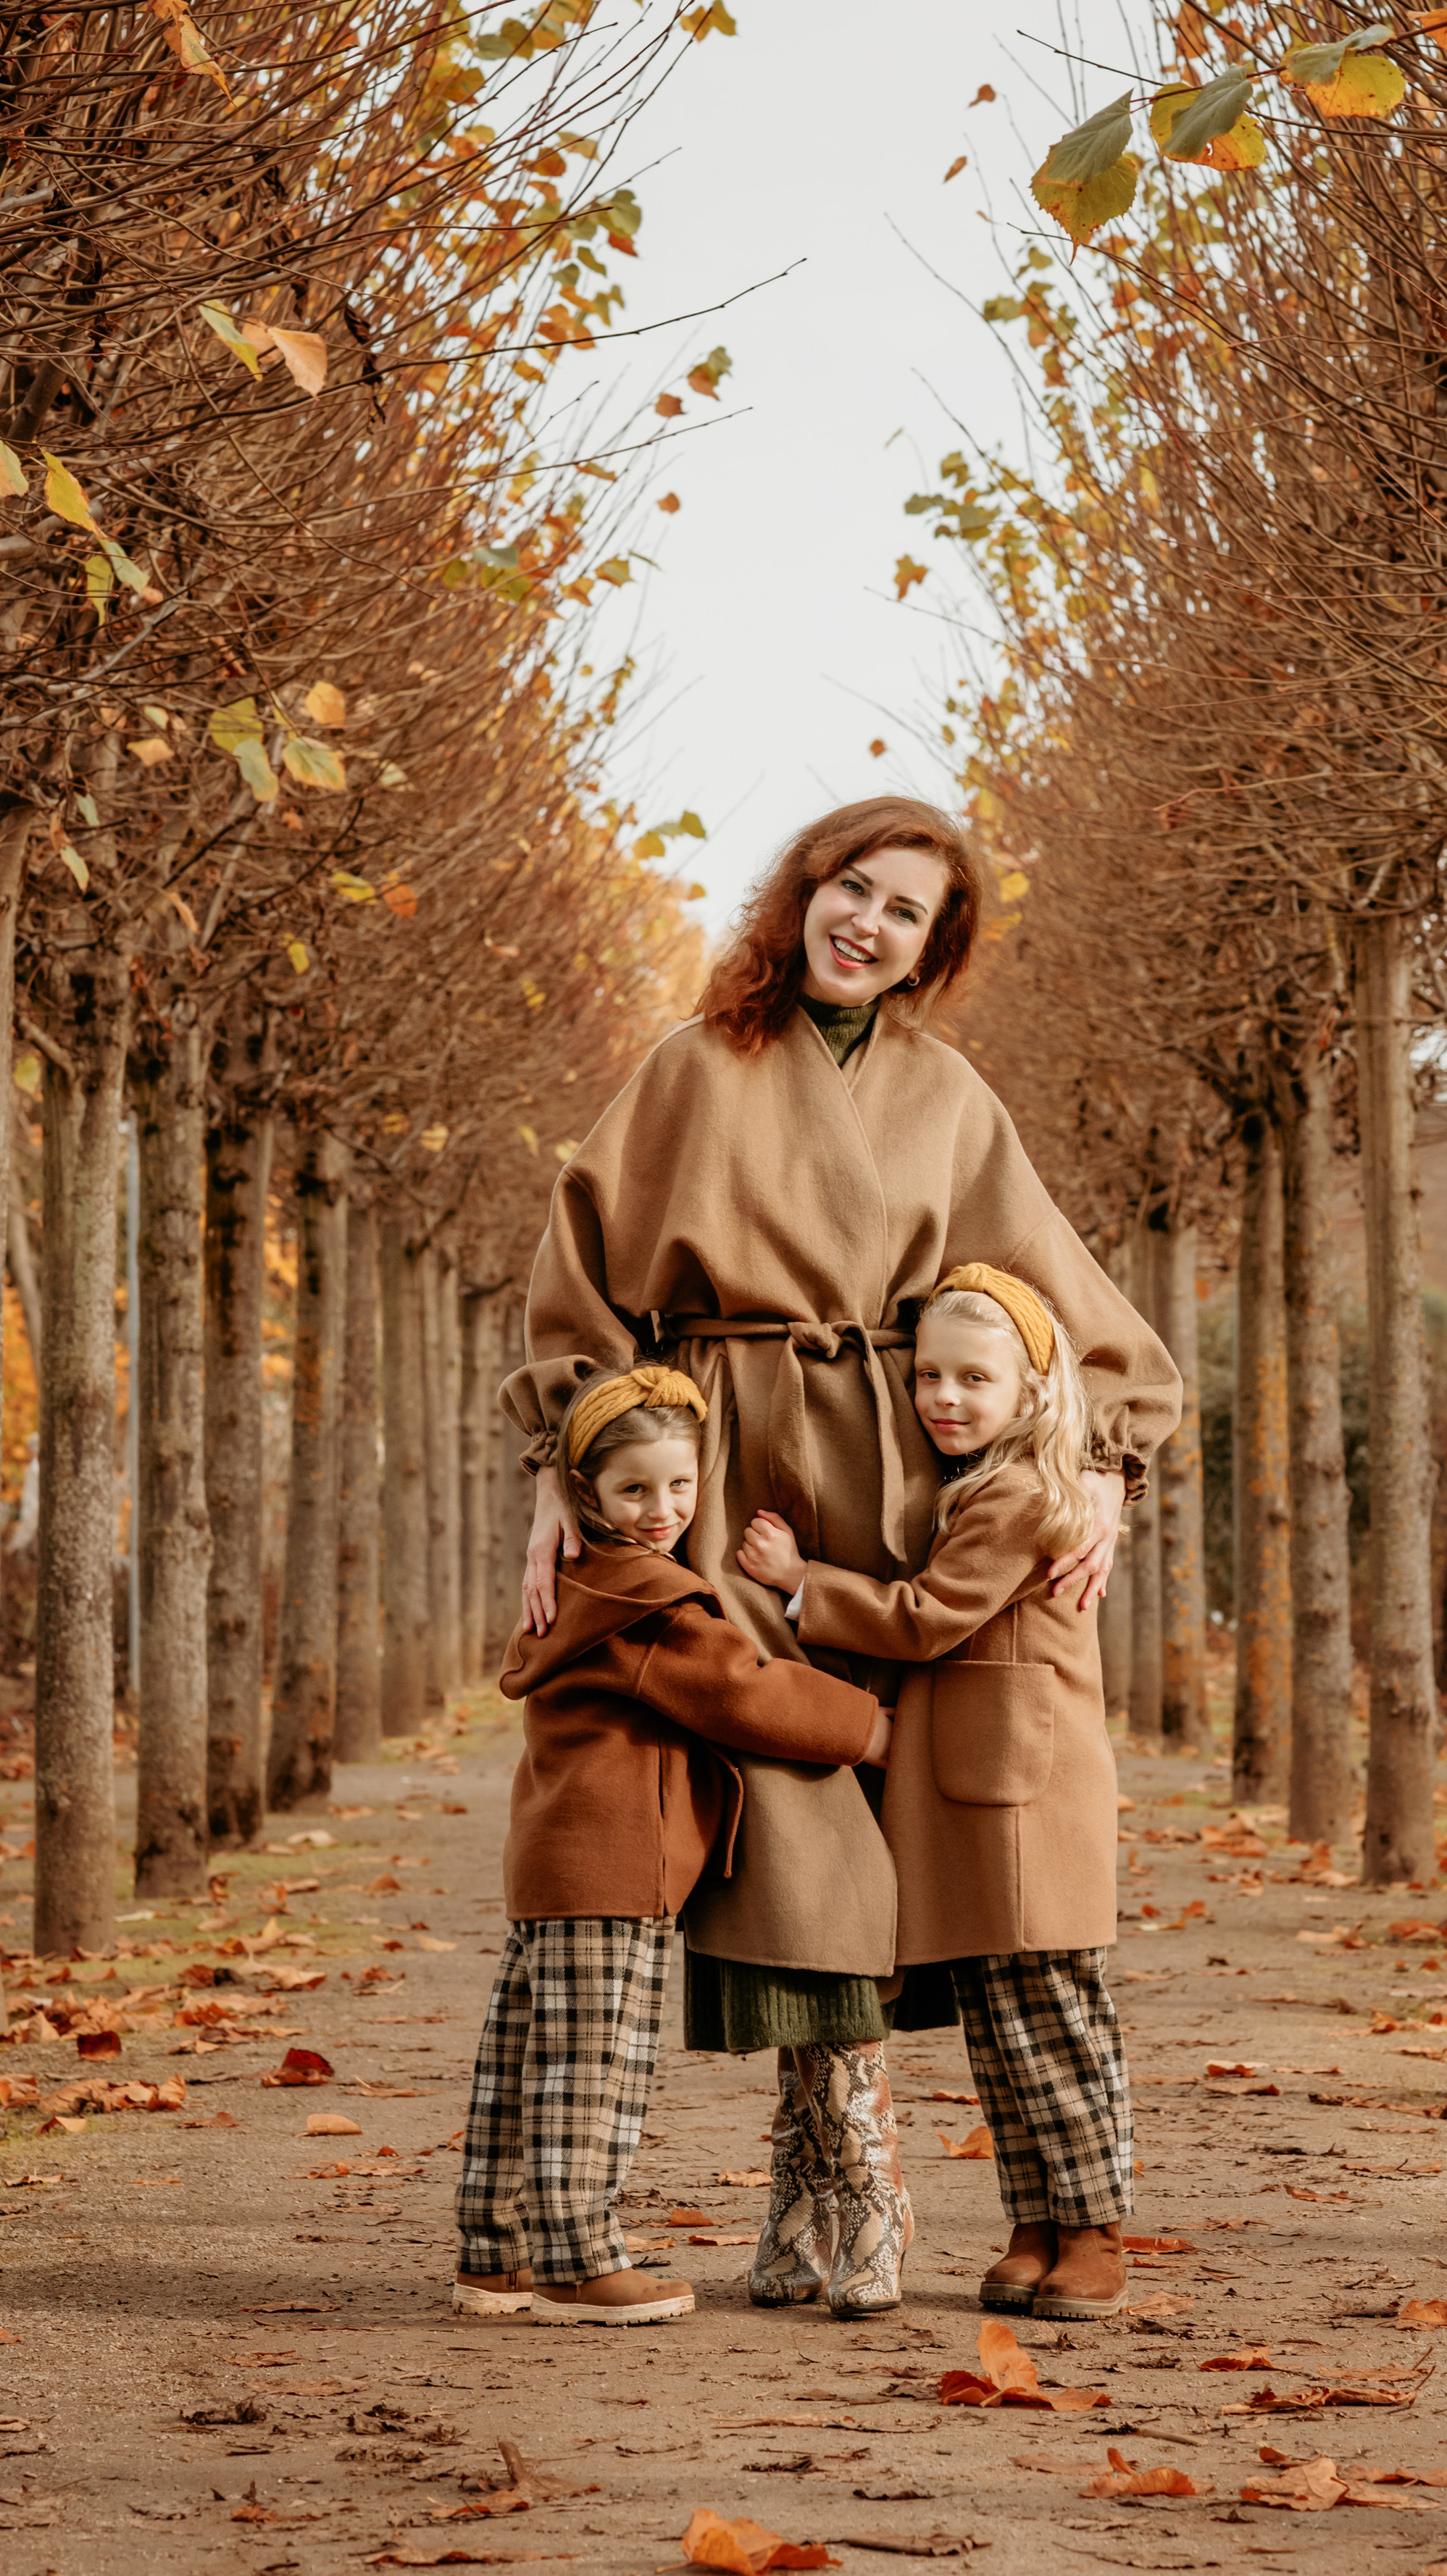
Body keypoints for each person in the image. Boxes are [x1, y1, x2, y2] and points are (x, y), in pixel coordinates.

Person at [501, 797, 1180, 2316]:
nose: (865, 923)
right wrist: (567, 1461)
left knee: (940, 1834)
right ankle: (836, 2187)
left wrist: (1103, 1458)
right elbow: (580, 1298)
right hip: (724, 1470)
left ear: (936, 949)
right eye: (849, 887)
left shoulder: (948, 1092)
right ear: (801, 889)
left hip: (900, 1484)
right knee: (784, 1807)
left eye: (907, 913)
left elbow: (1055, 1295)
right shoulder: (688, 1068)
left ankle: (965, 2193)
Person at [453, 1366, 891, 2328]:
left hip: (555, 1856)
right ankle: (576, 2258)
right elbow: (743, 1687)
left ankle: (498, 2250)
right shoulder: (643, 1594)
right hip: (617, 1858)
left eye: (681, 1485)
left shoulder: (583, 1579)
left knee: (527, 2053)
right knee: (595, 2065)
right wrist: (868, 1726)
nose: (664, 1509)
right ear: (586, 1495)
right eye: (635, 1489)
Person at [740, 1266, 1132, 2322]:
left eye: (975, 1378)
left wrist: (800, 1582)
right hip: (978, 1793)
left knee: (1057, 2020)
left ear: (1033, 1391)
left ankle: (1093, 2227)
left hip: (1027, 1796)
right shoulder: (978, 1482)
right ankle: (1034, 2222)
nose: (945, 1397)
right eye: (929, 1376)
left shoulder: (1021, 1494)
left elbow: (923, 1617)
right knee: (1001, 2033)